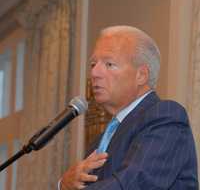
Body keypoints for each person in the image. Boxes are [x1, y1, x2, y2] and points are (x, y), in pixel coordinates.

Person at [59, 26, 198, 189]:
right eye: (93, 64)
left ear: (141, 75)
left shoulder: (166, 116)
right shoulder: (100, 141)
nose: (94, 73)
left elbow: (130, 185)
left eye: (109, 64)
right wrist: (64, 183)